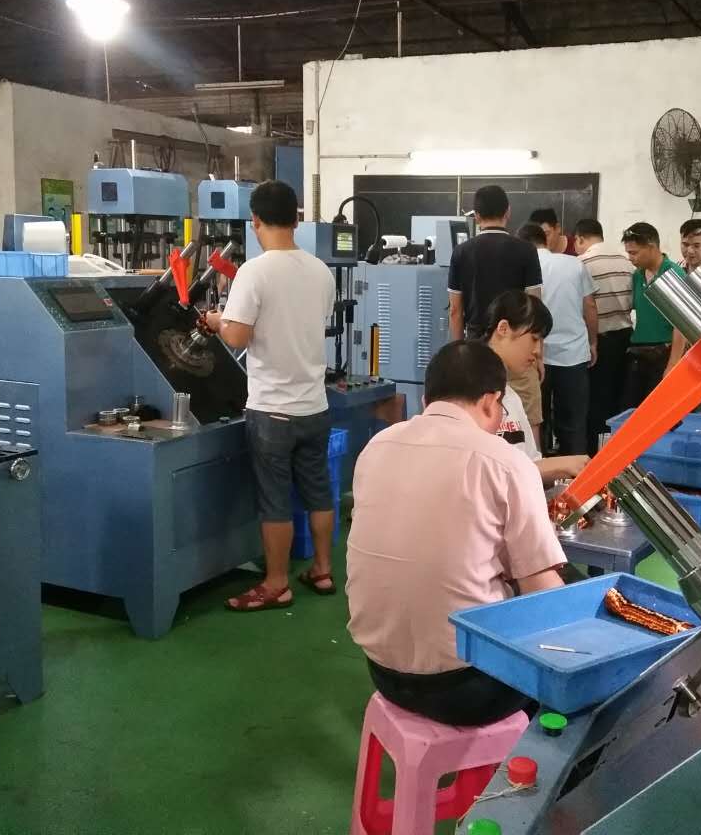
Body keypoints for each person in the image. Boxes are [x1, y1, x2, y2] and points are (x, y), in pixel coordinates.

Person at [346, 341, 566, 726]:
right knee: (564, 624)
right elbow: (543, 594)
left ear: (427, 399)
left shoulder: (375, 447)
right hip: (472, 689)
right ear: (491, 402)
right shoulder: (505, 461)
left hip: (381, 672)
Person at [207, 180, 338, 612]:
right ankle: (322, 569)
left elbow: (237, 336)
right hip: (315, 406)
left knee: (275, 500)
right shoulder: (321, 271)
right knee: (319, 491)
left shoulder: (255, 271)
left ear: (255, 221)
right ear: (296, 220)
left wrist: (217, 321)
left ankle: (276, 583)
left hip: (273, 411)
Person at [448, 185, 545, 441]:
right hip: (518, 347)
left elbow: (455, 311)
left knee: (479, 419)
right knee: (527, 423)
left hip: (477, 351)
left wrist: (459, 355)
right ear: (508, 212)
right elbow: (534, 307)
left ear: (477, 216)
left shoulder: (461, 252)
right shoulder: (526, 250)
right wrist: (538, 354)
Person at [484, 291, 589, 485]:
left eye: (541, 341)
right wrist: (561, 465)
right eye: (534, 339)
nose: (538, 351)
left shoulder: (511, 397)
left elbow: (530, 462)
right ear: (503, 329)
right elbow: (482, 471)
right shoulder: (468, 395)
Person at [516, 224, 596, 456]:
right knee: (573, 422)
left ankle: (542, 471)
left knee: (535, 420)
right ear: (545, 240)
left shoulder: (522, 267)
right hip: (573, 355)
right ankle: (576, 472)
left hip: (534, 357)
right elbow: (590, 305)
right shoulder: (575, 264)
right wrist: (593, 343)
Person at [574, 219, 635, 452]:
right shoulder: (626, 260)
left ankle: (597, 452)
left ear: (580, 238)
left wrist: (592, 342)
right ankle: (617, 449)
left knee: (597, 402)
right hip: (626, 337)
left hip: (598, 340)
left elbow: (586, 306)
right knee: (619, 400)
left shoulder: (581, 263)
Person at [622, 222, 686, 407]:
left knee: (658, 409)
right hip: (639, 352)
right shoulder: (638, 275)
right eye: (628, 253)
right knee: (632, 408)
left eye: (634, 253)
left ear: (651, 246)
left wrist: (672, 364)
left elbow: (681, 324)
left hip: (663, 353)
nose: (630, 258)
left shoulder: (673, 274)